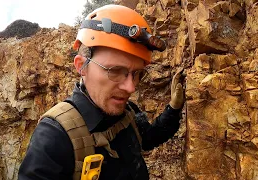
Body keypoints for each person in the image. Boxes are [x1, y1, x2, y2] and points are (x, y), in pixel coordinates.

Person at [19, 4, 184, 180]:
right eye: (114, 70)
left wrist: (173, 109)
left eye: (137, 74)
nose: (131, 87)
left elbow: (149, 138)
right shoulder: (54, 137)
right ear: (81, 66)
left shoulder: (127, 112)